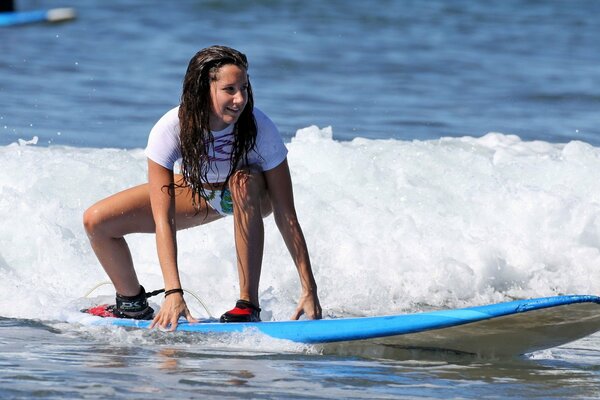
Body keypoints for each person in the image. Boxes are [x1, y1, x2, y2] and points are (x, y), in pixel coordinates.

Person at [83, 45, 322, 330]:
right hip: (198, 192)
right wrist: (174, 293)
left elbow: (286, 213)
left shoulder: (260, 127)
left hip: (253, 194)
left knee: (242, 182)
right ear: (203, 88)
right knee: (97, 220)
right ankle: (132, 304)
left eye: (244, 87)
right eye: (229, 89)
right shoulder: (172, 128)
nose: (240, 99)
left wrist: (309, 288)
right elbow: (164, 219)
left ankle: (248, 305)